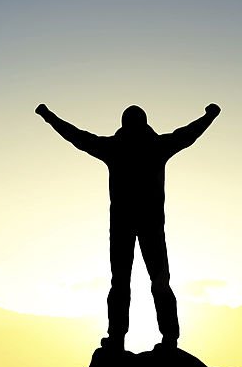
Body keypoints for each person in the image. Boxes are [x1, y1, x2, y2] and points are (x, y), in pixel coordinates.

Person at [36, 102, 220, 351]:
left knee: (124, 283)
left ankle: (120, 339)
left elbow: (76, 137)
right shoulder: (156, 147)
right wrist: (209, 115)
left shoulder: (115, 148)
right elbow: (188, 134)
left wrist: (48, 116)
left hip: (125, 226)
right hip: (150, 226)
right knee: (156, 281)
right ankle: (167, 339)